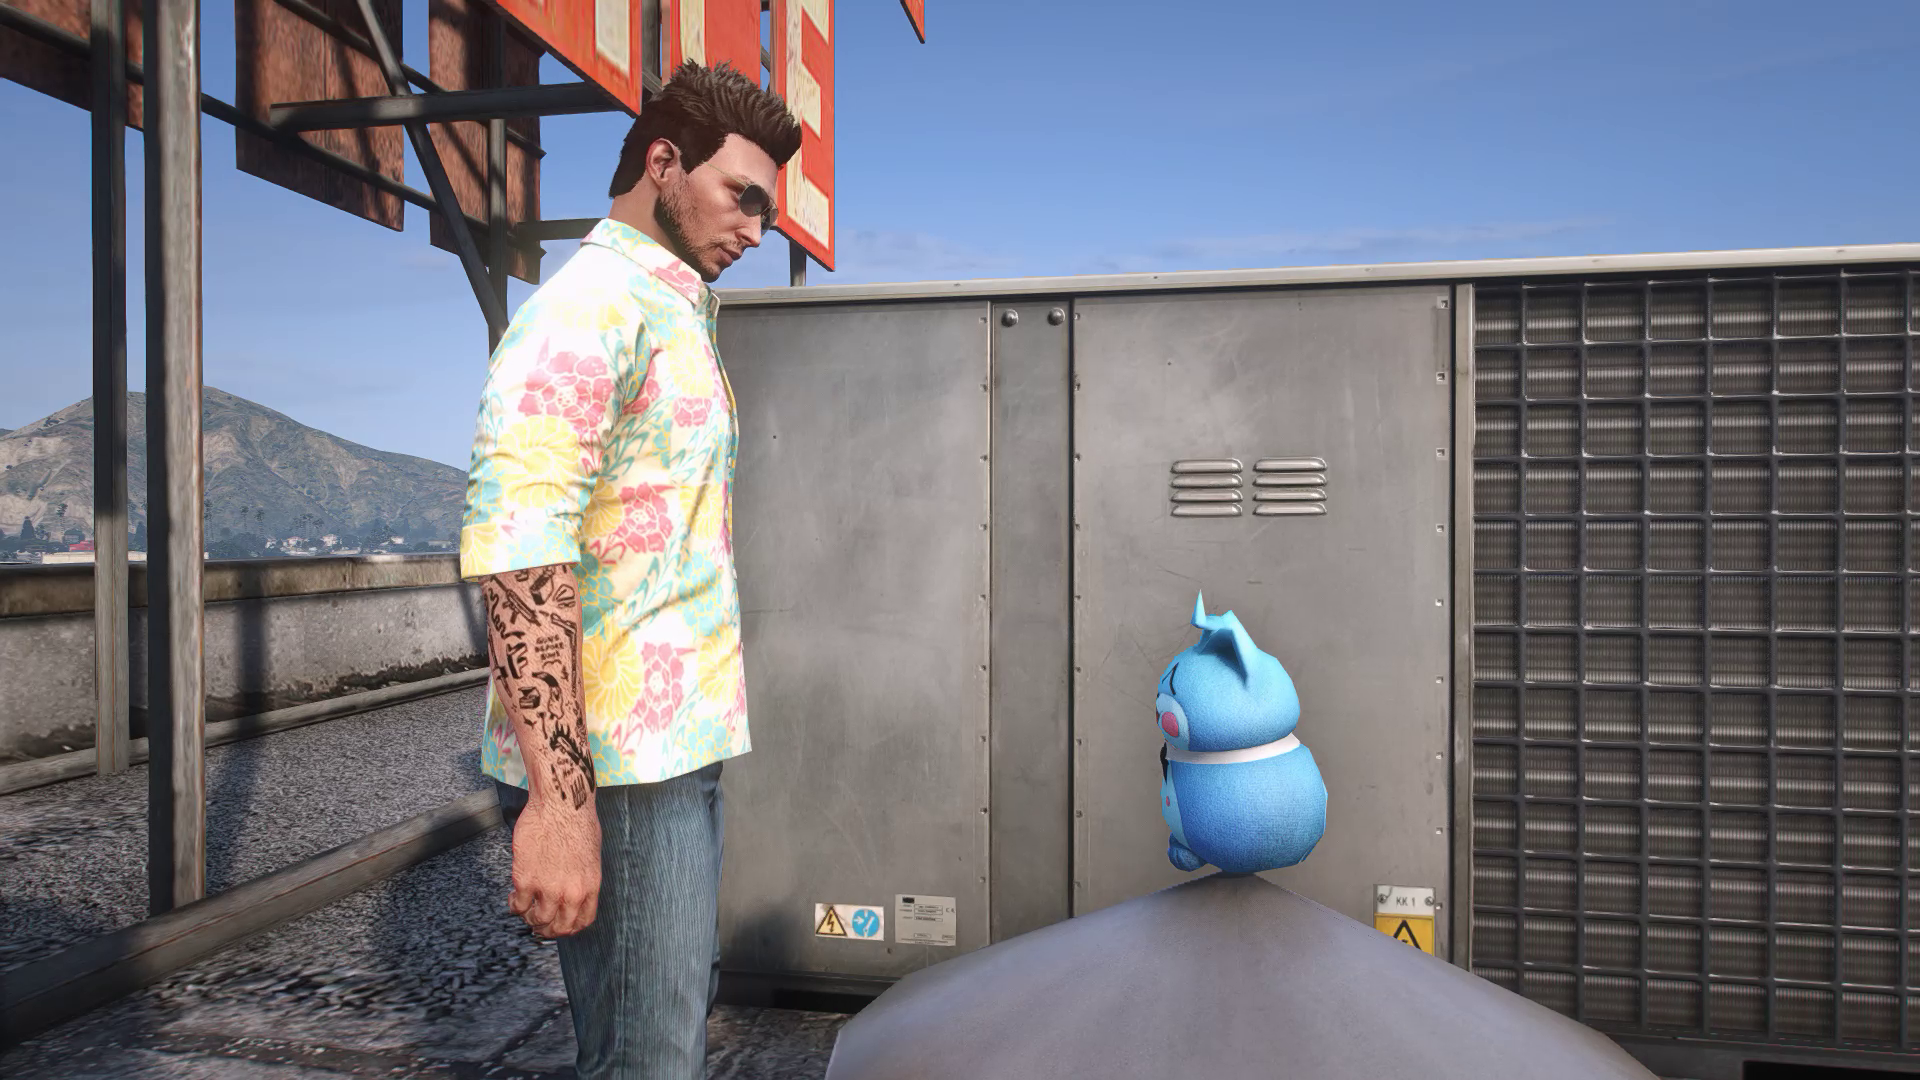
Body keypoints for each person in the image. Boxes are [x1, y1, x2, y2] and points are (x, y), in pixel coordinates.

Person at [458, 60, 801, 1079]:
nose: (757, 229)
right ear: (663, 163)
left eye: (767, 209)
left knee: (658, 1048)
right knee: (648, 1063)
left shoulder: (670, 309)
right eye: (743, 196)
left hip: (674, 750)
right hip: (623, 769)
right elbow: (521, 551)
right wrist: (561, 805)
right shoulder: (588, 310)